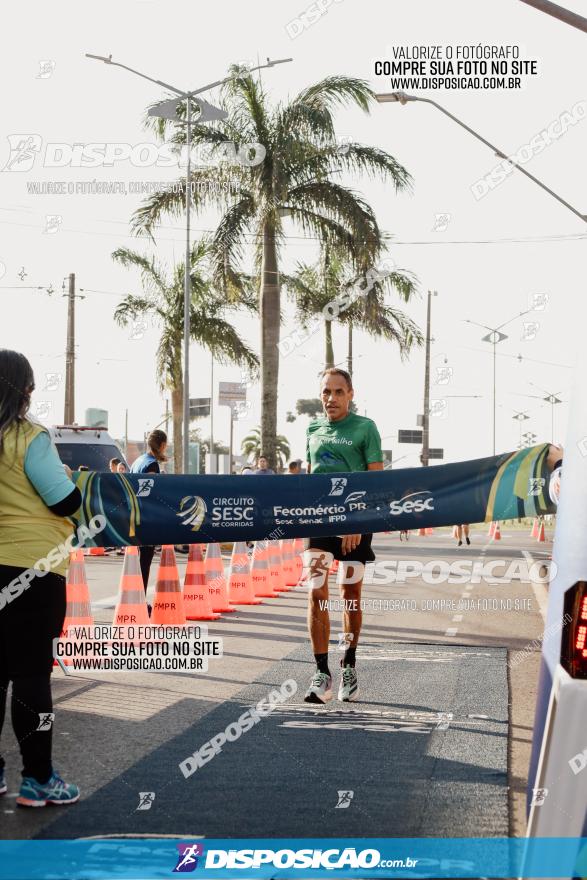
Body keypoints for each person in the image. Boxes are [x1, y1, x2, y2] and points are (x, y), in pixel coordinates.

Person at [0, 350, 81, 806]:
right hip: (34, 568)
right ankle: (39, 778)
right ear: (26, 391)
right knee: (32, 677)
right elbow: (63, 501)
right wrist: (67, 477)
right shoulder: (30, 437)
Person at [304, 367, 383, 704]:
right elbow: (309, 480)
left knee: (349, 594)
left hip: (355, 523)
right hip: (320, 524)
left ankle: (349, 664)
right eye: (326, 392)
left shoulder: (366, 428)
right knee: (316, 590)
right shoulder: (312, 429)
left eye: (338, 392)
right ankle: (321, 672)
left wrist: (355, 521)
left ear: (351, 394)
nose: (331, 398)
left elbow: (376, 483)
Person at [130, 430, 168, 596]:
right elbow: (149, 493)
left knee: (138, 562)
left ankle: (134, 599)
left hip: (134, 517)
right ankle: (140, 601)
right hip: (146, 519)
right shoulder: (151, 464)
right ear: (162, 445)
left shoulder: (138, 461)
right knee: (144, 562)